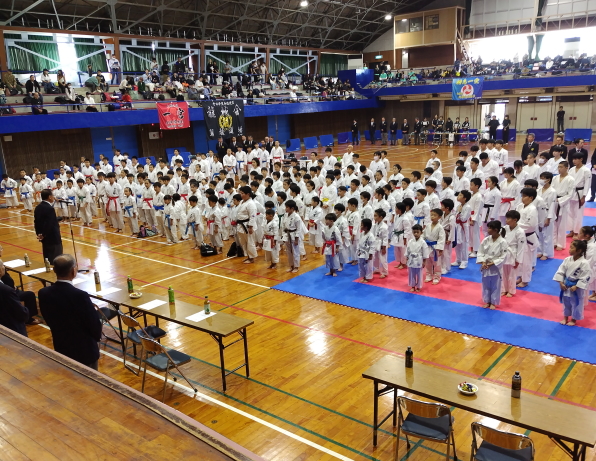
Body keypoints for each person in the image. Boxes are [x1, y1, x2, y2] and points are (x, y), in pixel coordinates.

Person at [39, 254, 102, 369]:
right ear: (73, 271)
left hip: (61, 347)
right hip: (84, 351)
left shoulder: (43, 293)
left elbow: (48, 318)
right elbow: (94, 325)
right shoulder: (80, 296)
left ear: (54, 270)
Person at [553, 239, 591, 326]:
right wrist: (561, 282)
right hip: (566, 285)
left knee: (576, 303)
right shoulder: (567, 259)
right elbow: (561, 271)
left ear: (579, 250)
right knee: (566, 301)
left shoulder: (584, 263)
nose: (569, 249)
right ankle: (565, 317)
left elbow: (585, 276)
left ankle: (574, 319)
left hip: (576, 287)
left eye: (572, 248)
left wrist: (577, 286)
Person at [0, 260, 30, 336]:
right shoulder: (7, 290)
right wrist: (25, 310)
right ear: (0, 270)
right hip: (12, 329)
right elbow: (21, 312)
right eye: (3, 266)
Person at [34, 189, 63, 263]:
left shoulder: (38, 207)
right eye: (53, 195)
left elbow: (37, 222)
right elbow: (49, 224)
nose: (53, 197)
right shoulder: (50, 208)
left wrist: (39, 234)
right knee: (56, 258)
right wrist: (44, 234)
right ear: (49, 197)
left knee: (47, 257)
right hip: (52, 238)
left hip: (44, 238)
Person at [423, 208, 446, 284]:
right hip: (427, 246)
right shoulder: (428, 225)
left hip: (435, 247)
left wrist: (440, 249)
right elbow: (423, 235)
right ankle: (428, 275)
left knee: (437, 263)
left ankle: (436, 277)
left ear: (439, 217)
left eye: (434, 215)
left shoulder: (440, 227)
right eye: (431, 215)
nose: (432, 217)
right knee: (428, 262)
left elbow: (442, 239)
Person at [406, 224, 429, 292]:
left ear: (421, 232)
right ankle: (412, 286)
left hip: (419, 259)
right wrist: (407, 258)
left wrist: (424, 261)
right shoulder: (410, 241)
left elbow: (425, 252)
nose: (415, 234)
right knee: (411, 273)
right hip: (411, 259)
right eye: (414, 232)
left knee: (419, 274)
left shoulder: (423, 242)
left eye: (417, 232)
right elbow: (407, 250)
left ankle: (418, 287)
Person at [357, 218, 375, 282]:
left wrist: (371, 254)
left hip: (367, 253)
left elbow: (372, 246)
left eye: (362, 225)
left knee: (368, 266)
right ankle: (364, 276)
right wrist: (358, 250)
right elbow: (360, 243)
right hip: (361, 252)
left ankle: (368, 278)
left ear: (366, 227)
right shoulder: (362, 233)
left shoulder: (371, 236)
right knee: (361, 265)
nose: (360, 226)